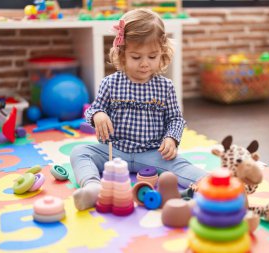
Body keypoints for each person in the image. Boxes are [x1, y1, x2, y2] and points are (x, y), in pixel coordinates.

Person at [70, 8, 208, 211]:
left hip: (152, 153)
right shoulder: (110, 83)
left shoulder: (165, 86)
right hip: (113, 153)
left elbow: (176, 120)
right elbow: (93, 109)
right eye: (136, 57)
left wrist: (171, 139)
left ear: (162, 52)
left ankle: (212, 185)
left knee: (181, 165)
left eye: (152, 57)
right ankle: (93, 187)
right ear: (122, 53)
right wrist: (98, 115)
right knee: (79, 152)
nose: (144, 64)